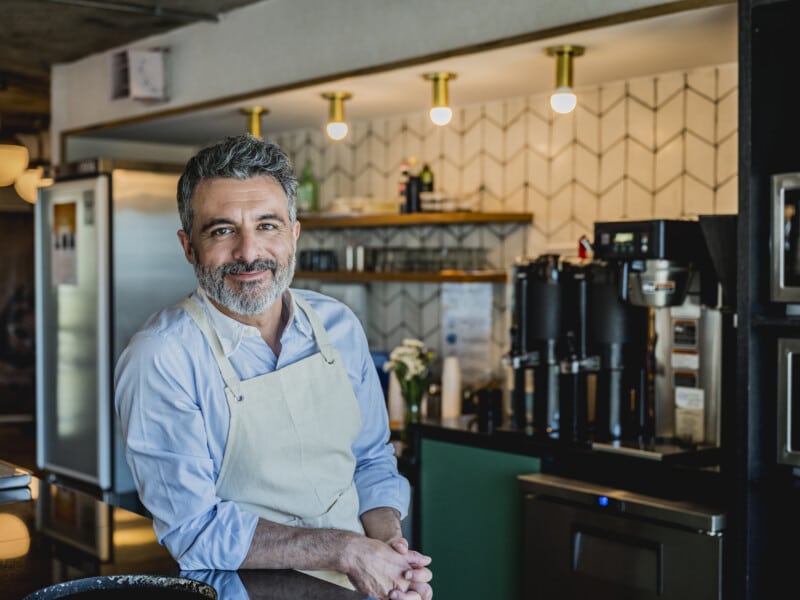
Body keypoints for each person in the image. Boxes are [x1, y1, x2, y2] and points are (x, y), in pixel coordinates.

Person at [115, 134, 433, 600]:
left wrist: (388, 550)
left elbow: (370, 458)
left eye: (267, 225)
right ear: (188, 246)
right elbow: (194, 529)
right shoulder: (161, 357)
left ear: (294, 233)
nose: (248, 252)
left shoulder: (337, 325)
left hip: (357, 587)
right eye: (221, 230)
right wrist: (346, 550)